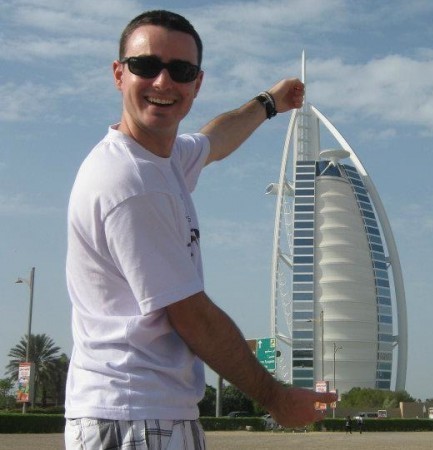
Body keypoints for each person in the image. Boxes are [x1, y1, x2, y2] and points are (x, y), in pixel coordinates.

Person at [64, 9, 336, 450]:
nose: (163, 82)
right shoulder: (132, 183)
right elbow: (192, 316)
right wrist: (276, 397)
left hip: (148, 413)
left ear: (197, 83)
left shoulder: (163, 159)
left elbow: (213, 140)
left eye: (181, 70)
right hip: (136, 416)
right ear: (119, 74)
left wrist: (269, 102)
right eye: (146, 65)